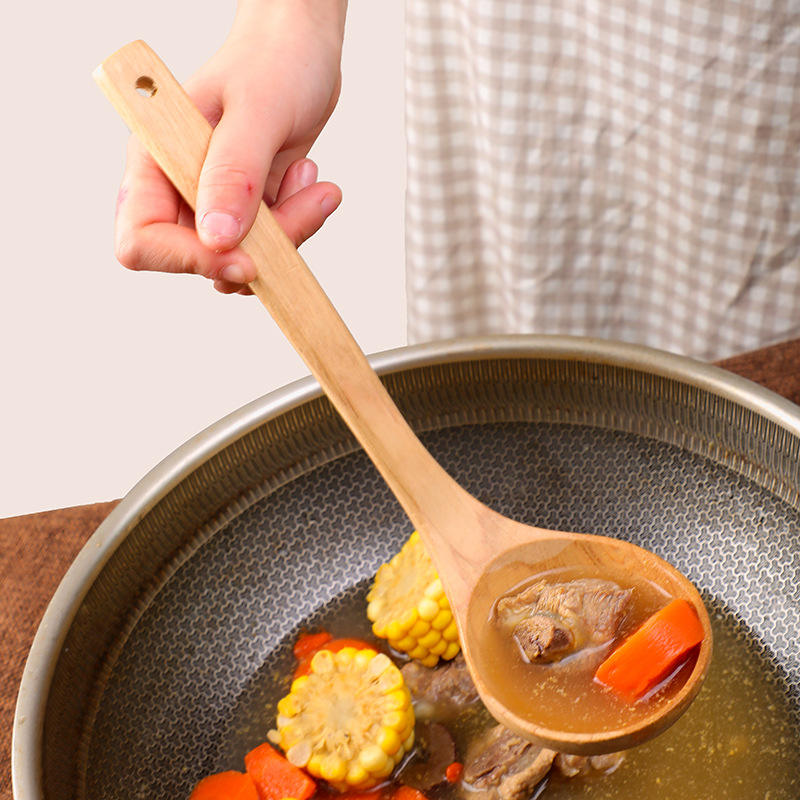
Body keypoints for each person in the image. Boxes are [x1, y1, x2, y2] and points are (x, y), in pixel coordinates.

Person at [114, 0, 800, 361]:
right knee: (500, 387)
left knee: (746, 419)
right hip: (502, 57)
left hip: (749, 69)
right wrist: (286, 22)